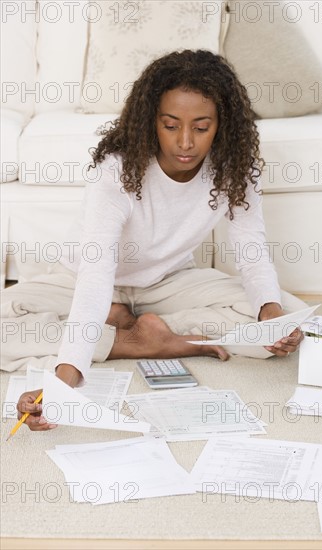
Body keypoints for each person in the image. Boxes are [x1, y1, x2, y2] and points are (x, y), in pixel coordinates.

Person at [1, 50, 305, 431]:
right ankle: (137, 341)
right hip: (83, 280)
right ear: (151, 122)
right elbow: (95, 278)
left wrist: (270, 314)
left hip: (169, 282)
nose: (185, 142)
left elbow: (251, 248)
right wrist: (66, 380)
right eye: (171, 125)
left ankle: (142, 329)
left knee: (288, 315)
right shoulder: (116, 171)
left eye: (201, 126)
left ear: (221, 125)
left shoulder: (235, 168)